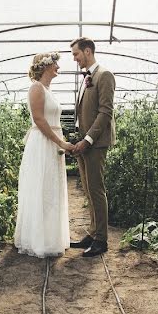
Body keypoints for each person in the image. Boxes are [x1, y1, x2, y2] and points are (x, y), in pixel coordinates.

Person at [14, 52, 75, 258]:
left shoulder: (48, 90)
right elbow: (40, 120)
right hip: (42, 143)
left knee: (52, 189)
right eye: (55, 64)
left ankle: (51, 238)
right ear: (46, 66)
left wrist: (61, 141)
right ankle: (38, 240)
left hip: (53, 144)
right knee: (41, 188)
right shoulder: (36, 88)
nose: (58, 67)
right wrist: (60, 141)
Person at [69, 37, 115, 258]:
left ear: (87, 51)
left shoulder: (104, 75)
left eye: (76, 54)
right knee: (88, 189)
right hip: (84, 142)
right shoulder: (88, 77)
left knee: (96, 190)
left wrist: (87, 140)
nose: (75, 59)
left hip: (95, 143)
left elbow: (105, 112)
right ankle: (94, 232)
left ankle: (102, 240)